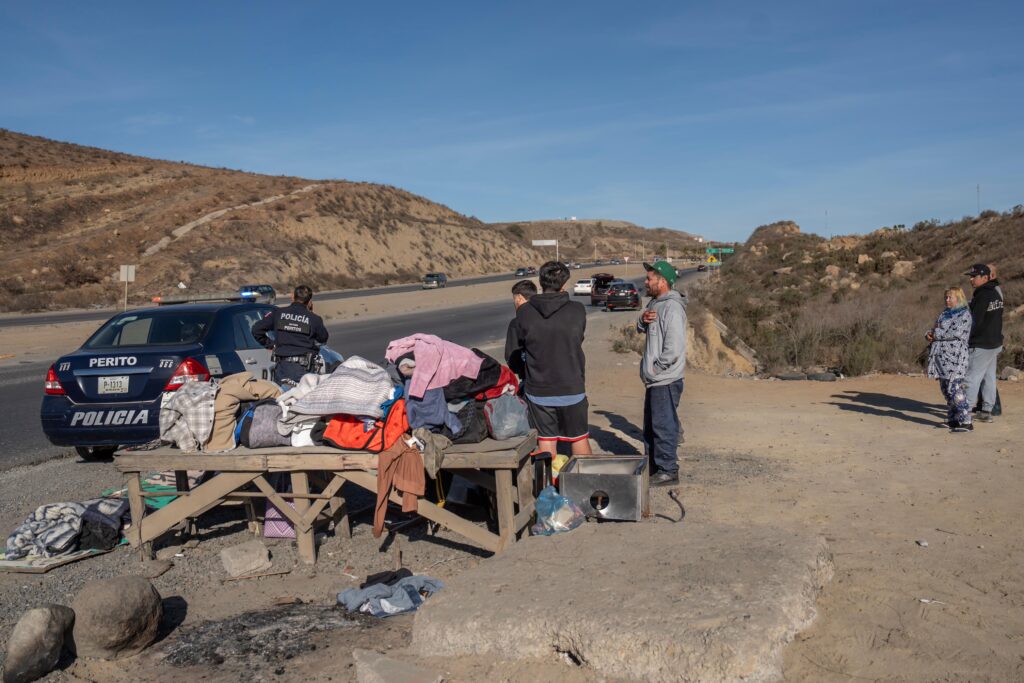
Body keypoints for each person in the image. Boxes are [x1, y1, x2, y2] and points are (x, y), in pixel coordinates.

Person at [512, 261, 592, 457]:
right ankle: (585, 485)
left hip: (538, 390)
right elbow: (577, 338)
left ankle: (548, 486)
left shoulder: (524, 313)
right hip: (572, 386)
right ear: (564, 284)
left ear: (540, 282)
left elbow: (520, 345)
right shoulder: (577, 310)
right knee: (579, 438)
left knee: (546, 443)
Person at [637, 261, 688, 486]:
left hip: (664, 379)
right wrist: (642, 319)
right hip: (655, 379)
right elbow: (643, 327)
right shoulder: (656, 303)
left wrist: (656, 369)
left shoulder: (672, 308)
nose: (645, 282)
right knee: (651, 426)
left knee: (663, 425)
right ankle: (655, 467)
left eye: (649, 279)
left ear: (663, 281)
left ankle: (668, 470)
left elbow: (674, 349)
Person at [252, 284, 329, 386]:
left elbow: (256, 329)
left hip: (282, 367)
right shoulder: (314, 319)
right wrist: (310, 313)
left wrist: (271, 345)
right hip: (303, 368)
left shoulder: (278, 313)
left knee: (282, 399)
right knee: (302, 399)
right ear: (309, 301)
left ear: (293, 297)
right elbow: (323, 338)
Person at [926, 287, 973, 432]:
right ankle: (953, 419)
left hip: (956, 358)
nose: (947, 300)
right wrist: (928, 334)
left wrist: (936, 334)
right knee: (946, 389)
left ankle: (966, 421)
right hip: (941, 358)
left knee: (955, 388)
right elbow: (935, 329)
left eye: (950, 297)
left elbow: (954, 333)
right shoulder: (944, 314)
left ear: (958, 298)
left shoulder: (964, 314)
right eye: (945, 297)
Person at [963, 264, 1003, 422]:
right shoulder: (995, 292)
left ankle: (963, 412)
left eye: (974, 276)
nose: (971, 279)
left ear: (985, 277)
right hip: (994, 342)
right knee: (989, 377)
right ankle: (986, 411)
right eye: (970, 276)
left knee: (971, 377)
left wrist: (966, 339)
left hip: (981, 344)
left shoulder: (982, 296)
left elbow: (974, 322)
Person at [504, 279, 537, 382]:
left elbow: (512, 359)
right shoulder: (546, 315)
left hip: (531, 381)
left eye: (514, 299)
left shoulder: (516, 323)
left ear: (519, 298)